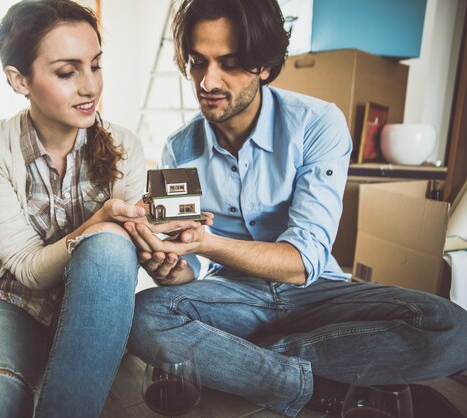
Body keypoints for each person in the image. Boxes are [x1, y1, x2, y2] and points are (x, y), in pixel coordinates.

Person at [125, 0, 467, 417]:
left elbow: (303, 263)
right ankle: (318, 383)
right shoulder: (180, 147)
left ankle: (243, 362)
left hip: (317, 292)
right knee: (144, 315)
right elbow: (193, 260)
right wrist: (175, 268)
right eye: (198, 62)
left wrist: (207, 245)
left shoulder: (317, 123)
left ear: (264, 66)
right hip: (234, 297)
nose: (207, 81)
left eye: (229, 63)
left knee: (450, 327)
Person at [0, 1, 195, 417]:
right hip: (8, 302)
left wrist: (169, 262)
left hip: (90, 305)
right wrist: (98, 223)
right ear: (18, 79)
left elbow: (134, 257)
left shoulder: (125, 146)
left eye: (95, 66)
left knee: (114, 243)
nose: (90, 87)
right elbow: (26, 268)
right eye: (67, 72)